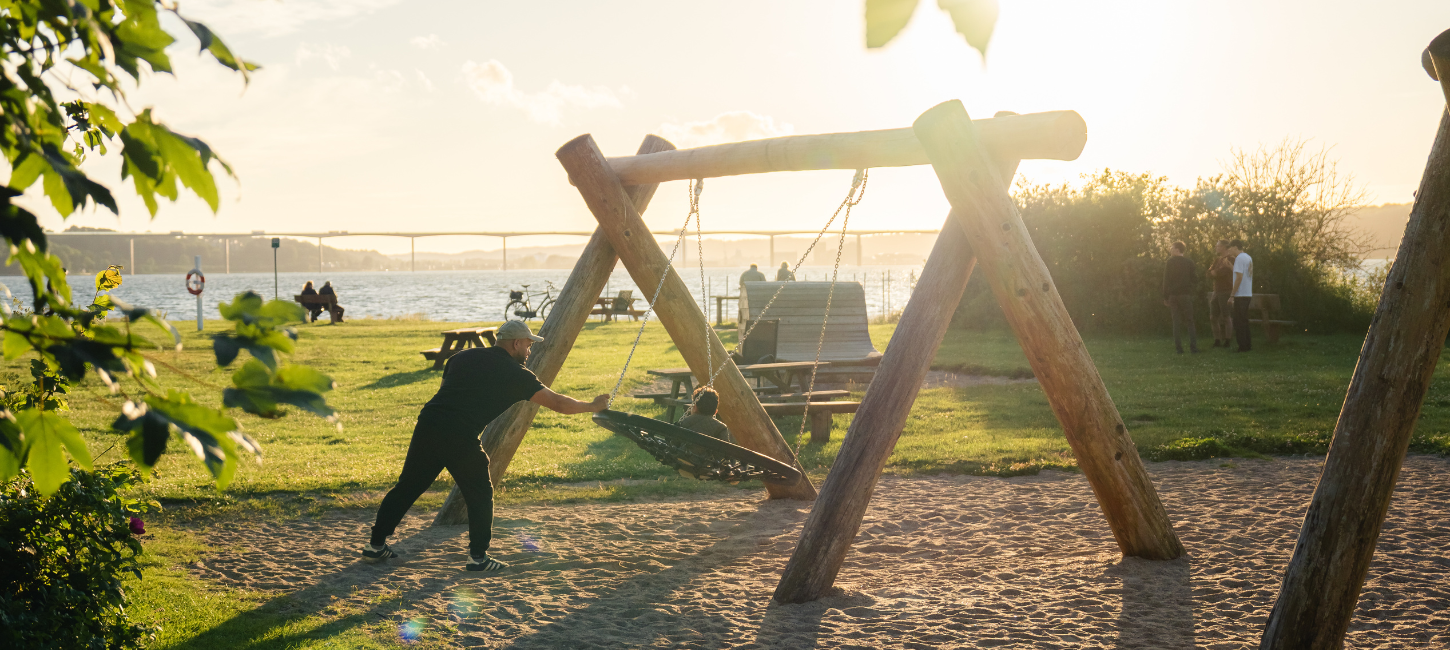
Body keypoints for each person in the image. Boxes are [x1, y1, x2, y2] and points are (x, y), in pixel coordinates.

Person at [363, 320, 608, 572]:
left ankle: (375, 545)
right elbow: (559, 404)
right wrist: (592, 406)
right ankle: (478, 558)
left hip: (428, 424)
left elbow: (451, 392)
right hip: (459, 434)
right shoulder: (516, 374)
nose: (529, 351)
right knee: (480, 493)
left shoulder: (461, 357)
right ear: (516, 343)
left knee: (407, 487)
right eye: (528, 345)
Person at [1162, 241, 1199, 354]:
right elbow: (1195, 279)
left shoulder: (1170, 262)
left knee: (1176, 322)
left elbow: (1166, 280)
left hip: (1173, 296)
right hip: (1185, 295)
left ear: (1177, 250)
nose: (1170, 250)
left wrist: (1165, 296)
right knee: (1190, 321)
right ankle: (1193, 348)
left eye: (1172, 248)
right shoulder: (1189, 262)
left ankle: (1179, 349)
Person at [1207, 240, 1237, 348]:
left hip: (1226, 290)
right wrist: (1214, 272)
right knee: (1213, 317)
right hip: (1216, 291)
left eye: (1218, 246)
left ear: (1224, 247)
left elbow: (1222, 273)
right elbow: (1209, 273)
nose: (1216, 247)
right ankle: (1217, 340)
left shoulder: (1231, 259)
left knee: (1226, 316)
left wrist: (1216, 272)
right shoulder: (1217, 260)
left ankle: (1228, 340)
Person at [1226, 239, 1254, 352]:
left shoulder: (1239, 258)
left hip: (1240, 294)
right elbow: (1242, 273)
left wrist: (1232, 295)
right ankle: (1247, 344)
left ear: (1236, 247)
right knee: (1244, 320)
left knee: (1238, 321)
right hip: (1247, 293)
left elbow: (1239, 277)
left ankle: (1242, 346)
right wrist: (1230, 268)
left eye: (1231, 248)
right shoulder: (1247, 257)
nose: (1229, 250)